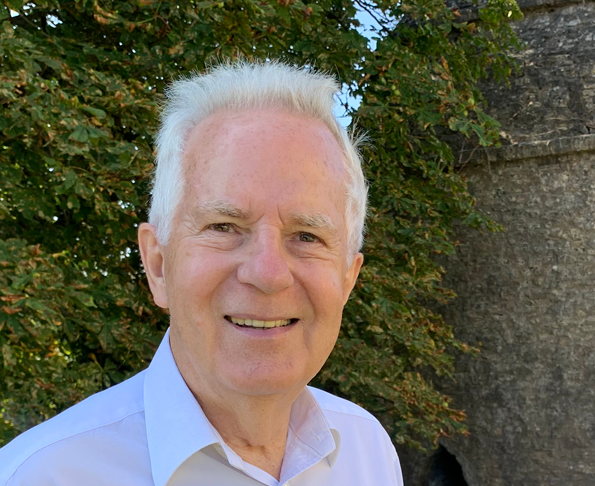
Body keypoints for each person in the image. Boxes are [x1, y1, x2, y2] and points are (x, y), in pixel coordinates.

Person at [0, 61, 404, 485]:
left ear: (347, 277)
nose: (267, 273)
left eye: (306, 235)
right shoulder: (40, 474)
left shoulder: (367, 451)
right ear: (157, 264)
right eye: (224, 228)